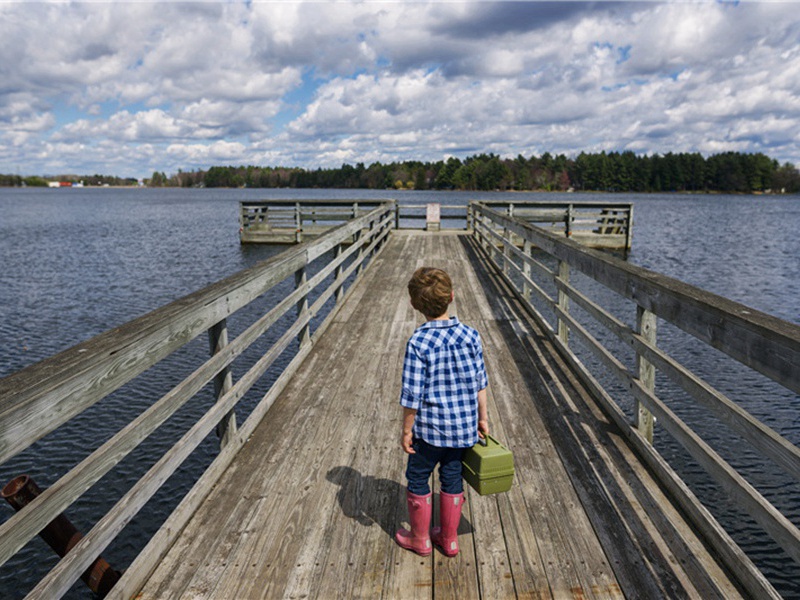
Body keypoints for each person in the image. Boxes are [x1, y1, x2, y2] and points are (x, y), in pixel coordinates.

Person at [395, 267, 489, 557]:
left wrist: (407, 430)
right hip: (461, 431)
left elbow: (412, 395)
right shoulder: (471, 336)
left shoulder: (418, 342)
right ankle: (449, 539)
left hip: (429, 432)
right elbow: (480, 383)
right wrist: (482, 418)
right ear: (451, 296)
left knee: (419, 478)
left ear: (414, 304)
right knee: (452, 478)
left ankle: (420, 539)